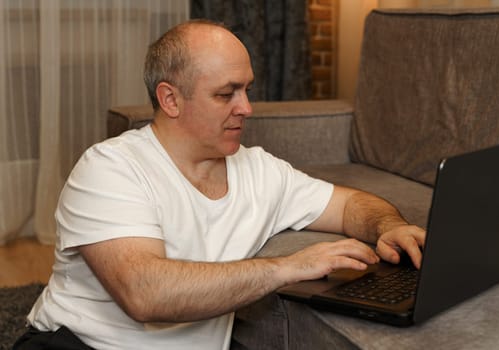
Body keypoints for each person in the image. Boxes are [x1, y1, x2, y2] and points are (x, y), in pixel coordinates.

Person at [15, 20, 425, 350]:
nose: (245, 108)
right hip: (79, 343)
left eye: (246, 90)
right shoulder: (109, 167)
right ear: (171, 99)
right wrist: (288, 267)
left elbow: (350, 205)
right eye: (226, 94)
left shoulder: (261, 170)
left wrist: (387, 225)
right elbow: (145, 295)